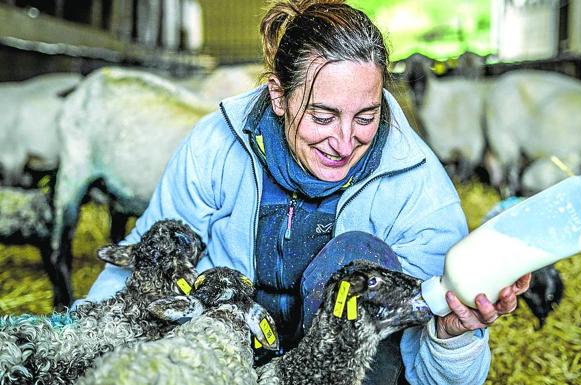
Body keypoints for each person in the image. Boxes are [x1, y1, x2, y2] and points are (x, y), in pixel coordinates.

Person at [81, 1, 530, 384]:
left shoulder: (418, 188)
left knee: (359, 254)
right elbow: (147, 262)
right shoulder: (215, 144)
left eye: (366, 116)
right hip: (225, 351)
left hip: (341, 369)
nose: (344, 141)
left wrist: (450, 336)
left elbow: (438, 376)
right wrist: (83, 342)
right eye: (322, 115)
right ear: (279, 96)